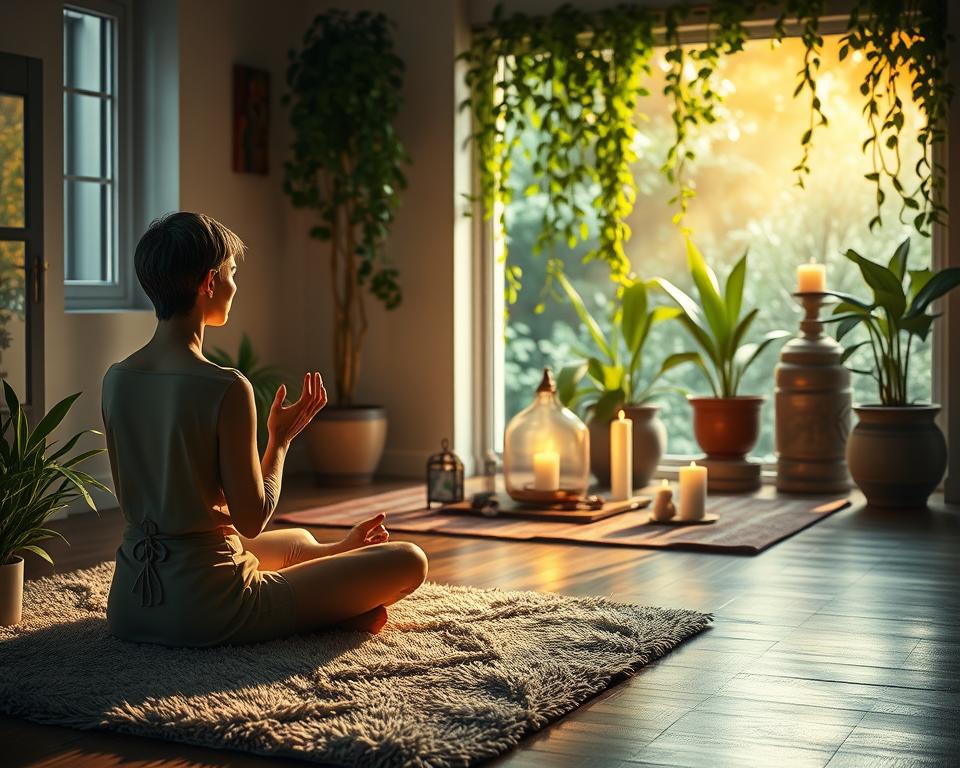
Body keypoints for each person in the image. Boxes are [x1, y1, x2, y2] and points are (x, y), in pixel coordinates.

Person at [101, 212, 427, 647]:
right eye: (232, 273)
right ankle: (331, 611)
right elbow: (252, 519)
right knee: (409, 560)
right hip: (208, 610)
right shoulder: (225, 386)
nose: (236, 287)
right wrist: (281, 440)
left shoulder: (116, 378)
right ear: (209, 282)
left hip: (129, 604)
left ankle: (336, 577)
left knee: (297, 541)